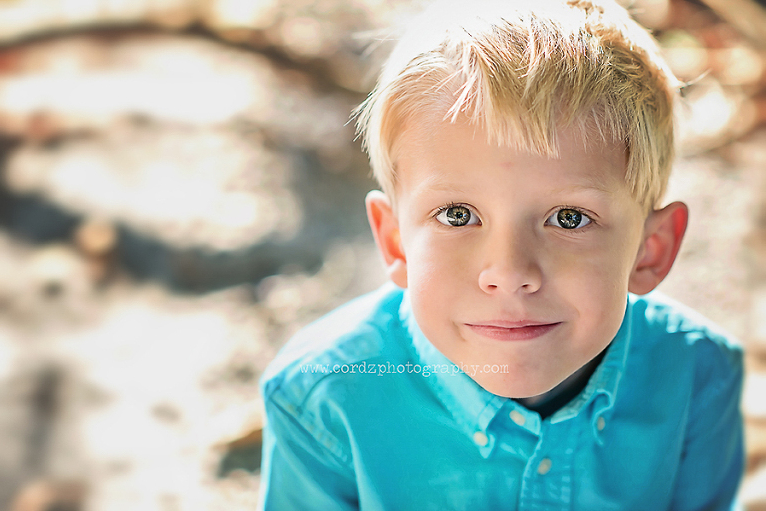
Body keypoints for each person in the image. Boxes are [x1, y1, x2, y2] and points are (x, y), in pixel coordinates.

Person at [257, 0, 745, 509]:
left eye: (569, 218)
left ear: (649, 250)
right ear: (396, 242)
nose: (510, 273)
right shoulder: (321, 401)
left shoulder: (699, 377)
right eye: (457, 215)